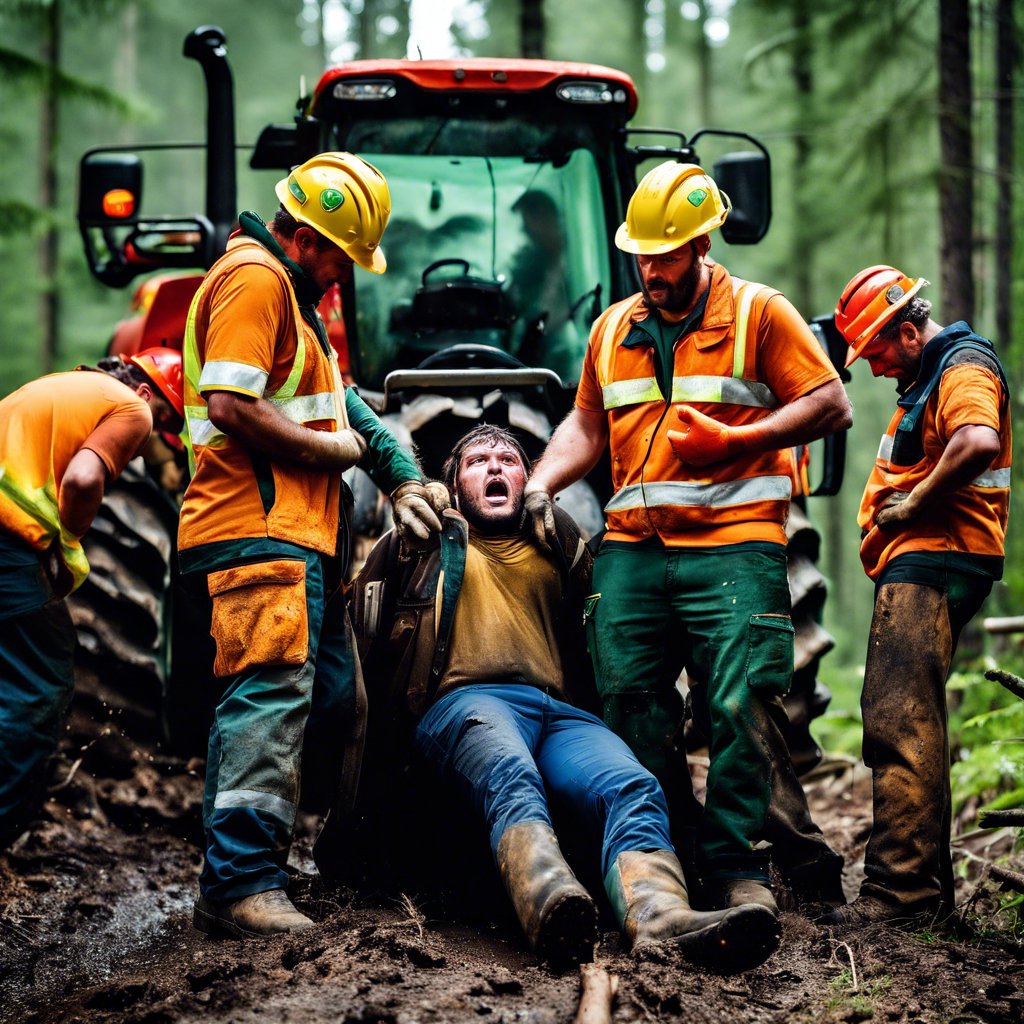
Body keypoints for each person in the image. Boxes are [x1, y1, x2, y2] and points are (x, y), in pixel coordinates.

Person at [522, 162, 853, 917]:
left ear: (704, 243)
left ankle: (735, 866)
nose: (650, 269)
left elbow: (831, 402)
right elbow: (586, 422)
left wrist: (738, 443)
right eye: (640, 254)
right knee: (629, 706)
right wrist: (542, 481)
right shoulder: (612, 327)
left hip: (735, 545)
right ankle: (658, 856)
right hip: (635, 550)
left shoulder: (760, 314)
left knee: (738, 707)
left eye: (665, 254)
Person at [344, 424, 781, 971]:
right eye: (478, 461)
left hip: (559, 713)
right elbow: (359, 642)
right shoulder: (421, 542)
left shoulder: (561, 545)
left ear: (531, 479)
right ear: (453, 485)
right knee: (509, 771)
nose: (497, 467)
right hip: (465, 706)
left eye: (510, 459)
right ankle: (551, 907)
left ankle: (660, 917)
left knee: (632, 784)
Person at [179, 152, 447, 940]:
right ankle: (239, 884)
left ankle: (248, 860)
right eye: (340, 257)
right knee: (268, 699)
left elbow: (348, 408)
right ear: (305, 237)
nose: (344, 275)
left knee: (327, 698)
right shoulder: (256, 280)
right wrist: (321, 454)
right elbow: (231, 404)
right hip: (256, 529)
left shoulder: (298, 304)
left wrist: (399, 473)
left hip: (304, 536)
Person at [823, 266, 1012, 929]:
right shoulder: (926, 375)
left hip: (935, 559)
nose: (871, 369)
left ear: (908, 331)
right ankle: (931, 898)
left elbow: (978, 441)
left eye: (875, 353)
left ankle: (898, 899)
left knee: (899, 720)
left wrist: (913, 505)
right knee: (916, 720)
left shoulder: (962, 367)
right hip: (926, 561)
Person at [0, 348, 185, 846]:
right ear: (146, 393)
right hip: (7, 540)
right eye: (166, 420)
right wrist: (69, 540)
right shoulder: (133, 408)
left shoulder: (67, 389)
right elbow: (83, 479)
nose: (156, 440)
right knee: (40, 687)